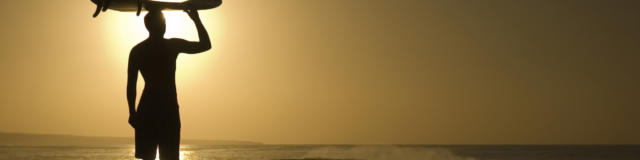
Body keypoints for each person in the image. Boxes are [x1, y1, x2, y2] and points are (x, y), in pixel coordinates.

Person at [126, 4, 211, 160]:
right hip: (167, 108)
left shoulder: (137, 50)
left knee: (150, 157)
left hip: (148, 109)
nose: (164, 26)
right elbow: (205, 45)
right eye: (163, 23)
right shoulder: (171, 45)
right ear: (156, 25)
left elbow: (131, 85)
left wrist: (132, 111)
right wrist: (196, 20)